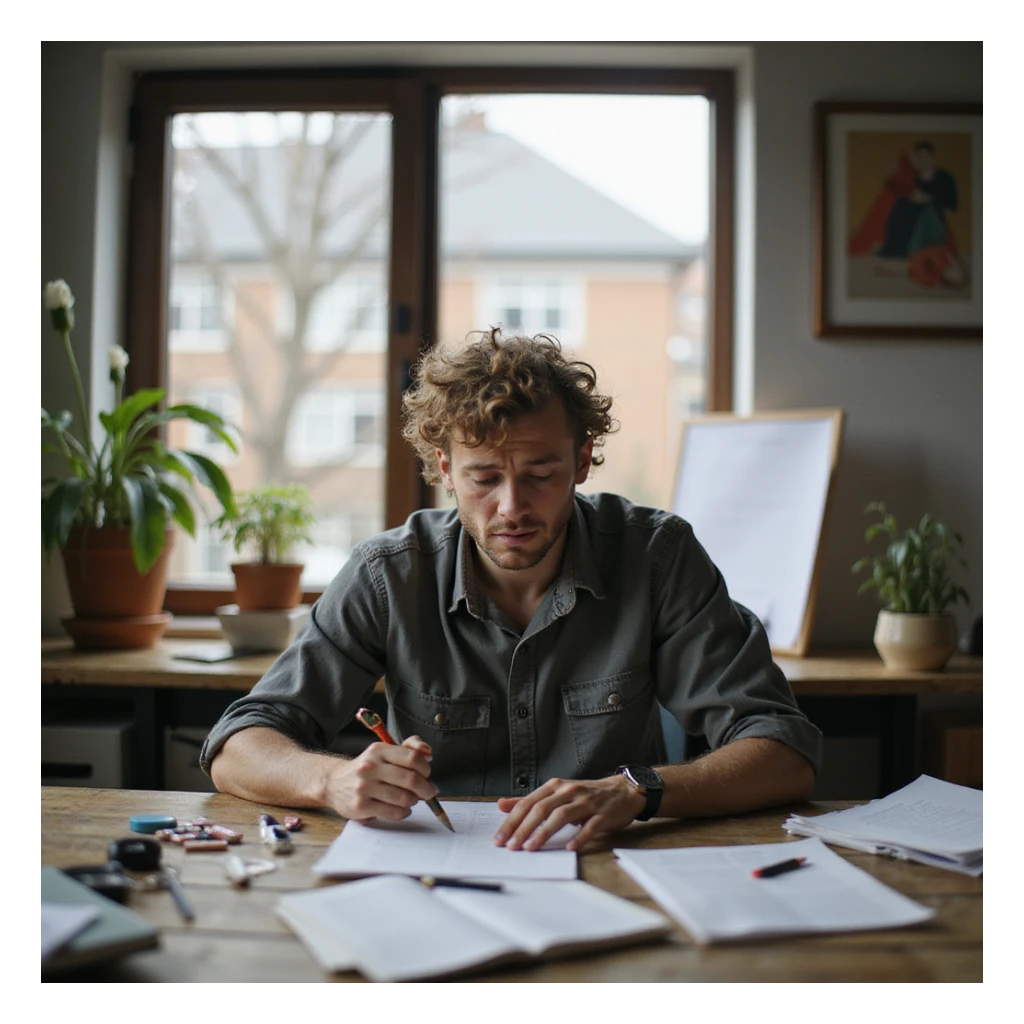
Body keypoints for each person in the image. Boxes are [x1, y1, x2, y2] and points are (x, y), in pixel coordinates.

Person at [201, 329, 822, 852]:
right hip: (432, 872)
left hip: (612, 867)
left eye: (541, 474)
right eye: (483, 478)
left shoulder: (656, 556)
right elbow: (237, 745)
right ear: (445, 470)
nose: (512, 507)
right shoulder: (388, 575)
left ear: (581, 462)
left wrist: (637, 789)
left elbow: (783, 750)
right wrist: (329, 781)